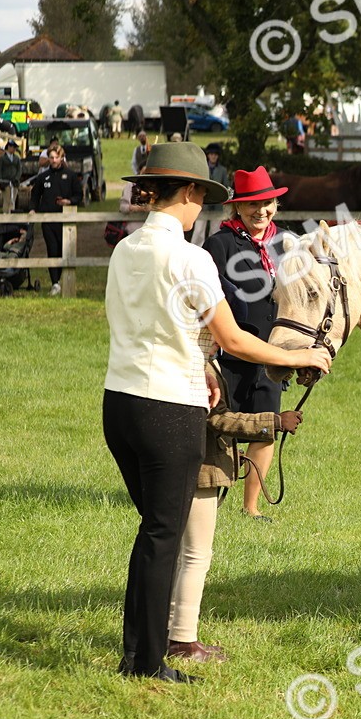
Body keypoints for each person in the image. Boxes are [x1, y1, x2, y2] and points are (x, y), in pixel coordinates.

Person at [105, 142, 329, 683]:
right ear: (188, 191)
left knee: (154, 532)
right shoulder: (192, 258)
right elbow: (233, 338)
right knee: (164, 536)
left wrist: (202, 364)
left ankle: (137, 653)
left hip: (119, 402)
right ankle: (149, 663)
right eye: (201, 197)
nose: (200, 208)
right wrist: (297, 357)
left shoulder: (125, 249)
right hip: (167, 409)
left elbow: (159, 323)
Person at [166, 355, 303, 663]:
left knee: (177, 555)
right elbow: (217, 419)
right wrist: (275, 422)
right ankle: (182, 642)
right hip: (201, 472)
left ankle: (167, 631)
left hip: (184, 466)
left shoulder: (189, 358)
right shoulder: (199, 364)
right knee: (195, 557)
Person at [202, 166, 293, 519]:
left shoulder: (288, 243)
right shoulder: (220, 244)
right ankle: (208, 495)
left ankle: (251, 507)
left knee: (266, 427)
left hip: (273, 354)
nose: (262, 210)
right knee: (221, 426)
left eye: (267, 203)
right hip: (229, 352)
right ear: (237, 207)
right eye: (253, 204)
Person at [29, 145, 83, 296]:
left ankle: (64, 280)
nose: (53, 160)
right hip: (48, 220)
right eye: (51, 157)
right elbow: (35, 195)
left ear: (61, 158)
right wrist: (33, 209)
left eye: (56, 157)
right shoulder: (43, 177)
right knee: (52, 250)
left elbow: (79, 195)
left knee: (64, 250)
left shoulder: (70, 176)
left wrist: (68, 201)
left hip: (66, 222)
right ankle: (55, 283)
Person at [190, 143, 231, 246]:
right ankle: (196, 249)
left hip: (217, 205)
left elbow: (226, 185)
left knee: (215, 231)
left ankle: (213, 249)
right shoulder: (202, 167)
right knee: (199, 230)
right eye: (211, 154)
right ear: (208, 155)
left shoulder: (222, 170)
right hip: (202, 204)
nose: (213, 156)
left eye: (215, 154)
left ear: (218, 156)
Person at [0, 139, 22, 214]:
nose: (14, 149)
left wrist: (17, 178)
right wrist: (1, 182)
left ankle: (11, 215)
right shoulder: (2, 158)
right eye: (13, 147)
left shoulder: (17, 158)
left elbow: (19, 169)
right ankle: (5, 214)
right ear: (9, 147)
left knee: (12, 200)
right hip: (6, 183)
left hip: (14, 183)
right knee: (7, 200)